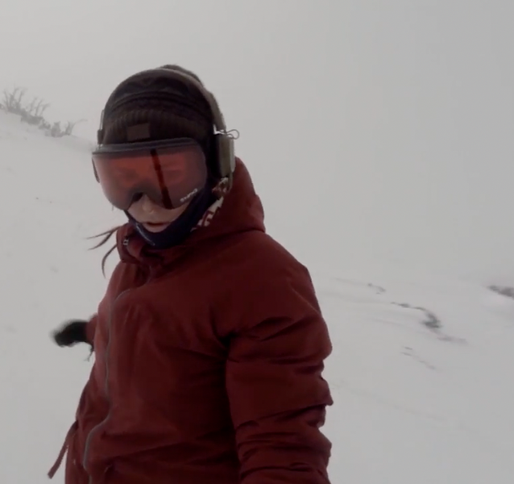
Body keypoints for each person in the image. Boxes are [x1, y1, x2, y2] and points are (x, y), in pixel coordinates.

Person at [48, 64, 333, 484]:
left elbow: (282, 445)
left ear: (217, 166)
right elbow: (156, 328)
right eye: (123, 180)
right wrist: (95, 331)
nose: (144, 205)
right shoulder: (139, 254)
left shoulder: (263, 279)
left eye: (170, 177)